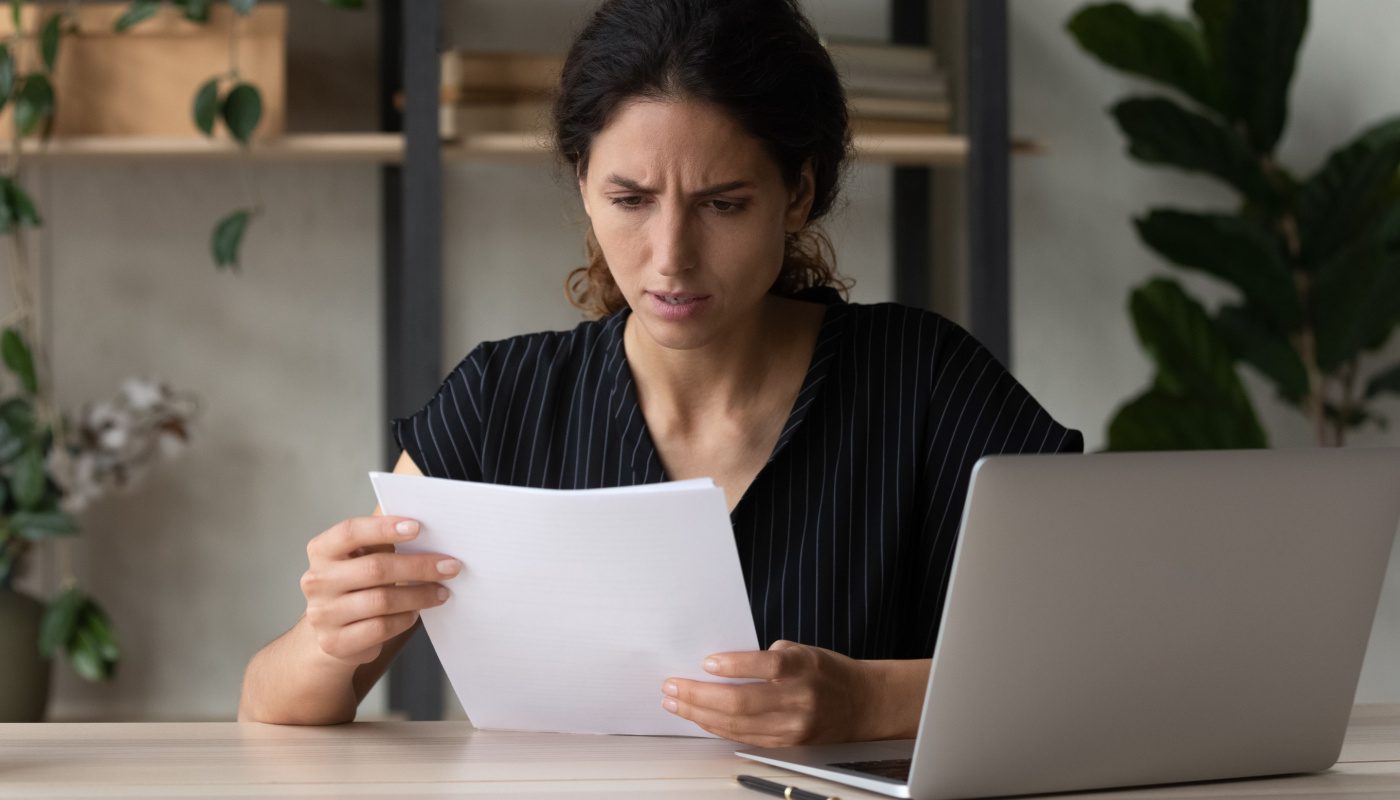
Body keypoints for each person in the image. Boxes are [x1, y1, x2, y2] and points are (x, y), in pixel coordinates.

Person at [238, 0, 1082, 746]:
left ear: (798, 194)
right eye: (630, 199)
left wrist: (871, 700)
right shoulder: (504, 399)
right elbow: (271, 709)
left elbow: (1097, 658)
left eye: (723, 204)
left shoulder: (923, 381)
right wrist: (329, 632)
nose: (671, 258)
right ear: (583, 184)